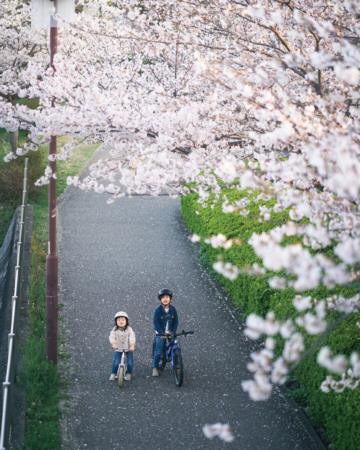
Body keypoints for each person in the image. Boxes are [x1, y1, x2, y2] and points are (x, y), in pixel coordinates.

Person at [152, 288, 178, 377]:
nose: (165, 299)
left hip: (170, 332)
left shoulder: (173, 309)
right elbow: (156, 322)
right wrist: (161, 333)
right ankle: (155, 367)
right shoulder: (158, 310)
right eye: (163, 297)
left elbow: (176, 322)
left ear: (170, 299)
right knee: (158, 351)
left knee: (175, 345)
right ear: (160, 299)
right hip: (160, 333)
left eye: (167, 297)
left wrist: (173, 331)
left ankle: (174, 358)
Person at [109, 311, 136, 381]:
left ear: (126, 321)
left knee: (130, 362)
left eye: (123, 320)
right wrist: (113, 343)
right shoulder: (114, 330)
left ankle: (128, 373)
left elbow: (132, 337)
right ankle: (113, 373)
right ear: (116, 322)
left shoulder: (129, 329)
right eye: (119, 320)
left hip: (128, 348)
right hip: (118, 348)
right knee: (116, 362)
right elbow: (111, 337)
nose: (121, 322)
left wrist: (132, 345)